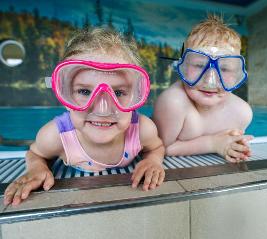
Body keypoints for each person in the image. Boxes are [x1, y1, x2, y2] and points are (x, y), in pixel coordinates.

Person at [4, 28, 165, 206]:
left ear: (136, 94)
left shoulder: (143, 129)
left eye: (118, 92)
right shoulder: (55, 137)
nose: (103, 110)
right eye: (84, 91)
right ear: (64, 93)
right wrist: (37, 167)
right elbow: (35, 152)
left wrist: (152, 161)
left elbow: (155, 147)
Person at [153, 15, 253, 162]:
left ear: (237, 73)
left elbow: (230, 144)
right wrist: (212, 143)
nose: (210, 81)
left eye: (224, 68)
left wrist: (233, 146)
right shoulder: (173, 102)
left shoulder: (241, 113)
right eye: (199, 66)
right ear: (183, 67)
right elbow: (157, 148)